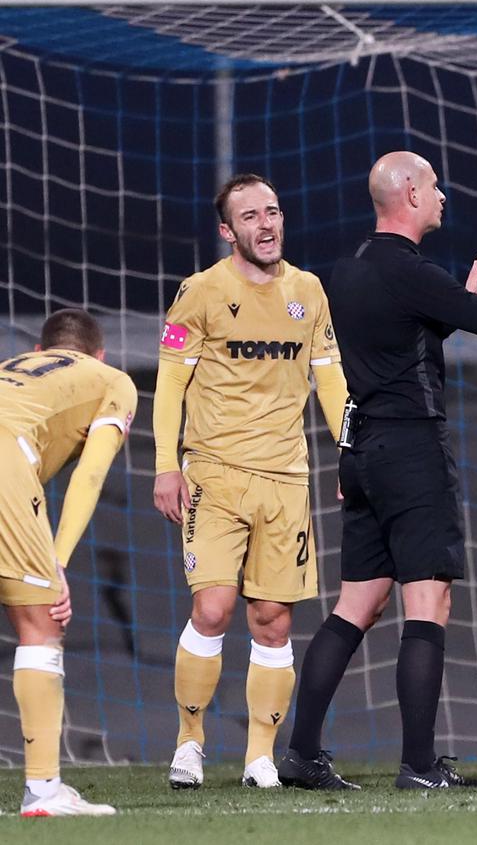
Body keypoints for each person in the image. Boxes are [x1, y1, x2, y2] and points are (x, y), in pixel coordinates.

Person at [279, 151, 477, 791]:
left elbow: (395, 345)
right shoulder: (408, 269)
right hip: (412, 451)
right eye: (436, 186)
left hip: (361, 452)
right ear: (411, 194)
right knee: (430, 600)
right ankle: (418, 766)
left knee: (357, 603)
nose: (444, 196)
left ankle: (302, 754)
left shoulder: (353, 266)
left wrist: (448, 310)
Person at [154, 173, 348, 790]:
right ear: (227, 230)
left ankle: (259, 757)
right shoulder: (199, 292)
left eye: (273, 212)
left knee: (273, 619)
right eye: (250, 217)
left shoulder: (309, 291)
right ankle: (190, 744)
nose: (266, 225)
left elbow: (331, 378)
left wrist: (350, 452)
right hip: (212, 471)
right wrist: (165, 463)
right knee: (212, 608)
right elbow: (168, 385)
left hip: (286, 479)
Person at [2, 309, 137, 816]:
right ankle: (43, 792)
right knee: (41, 625)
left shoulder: (13, 365)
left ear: (40, 352)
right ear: (98, 355)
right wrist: (56, 562)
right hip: (5, 454)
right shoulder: (112, 380)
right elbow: (90, 475)